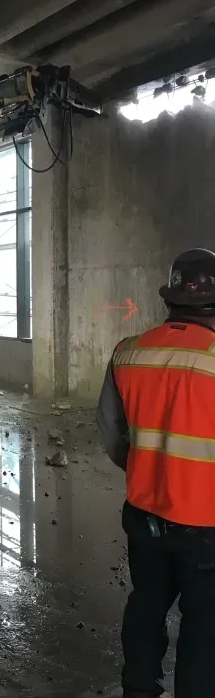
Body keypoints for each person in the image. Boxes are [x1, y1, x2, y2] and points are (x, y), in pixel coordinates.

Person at [97, 248, 215, 698]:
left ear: (169, 299)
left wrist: (147, 466)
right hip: (207, 524)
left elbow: (111, 432)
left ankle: (138, 690)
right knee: (205, 630)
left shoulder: (129, 352)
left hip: (145, 514)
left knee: (146, 606)